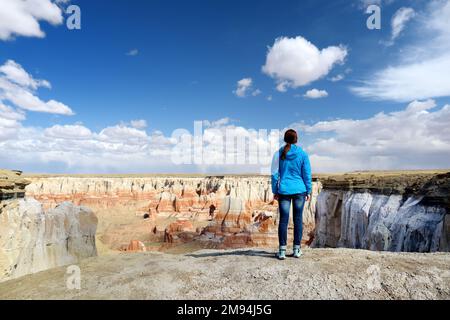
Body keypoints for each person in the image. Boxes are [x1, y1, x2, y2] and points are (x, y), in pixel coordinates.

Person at [271, 129, 312, 260]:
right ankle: (297, 250)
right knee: (298, 219)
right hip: (300, 190)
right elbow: (307, 174)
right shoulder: (303, 154)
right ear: (296, 139)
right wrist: (309, 190)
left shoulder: (278, 153)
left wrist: (275, 190)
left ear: (285, 139)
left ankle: (282, 251)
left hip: (284, 190)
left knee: (283, 220)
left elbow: (274, 174)